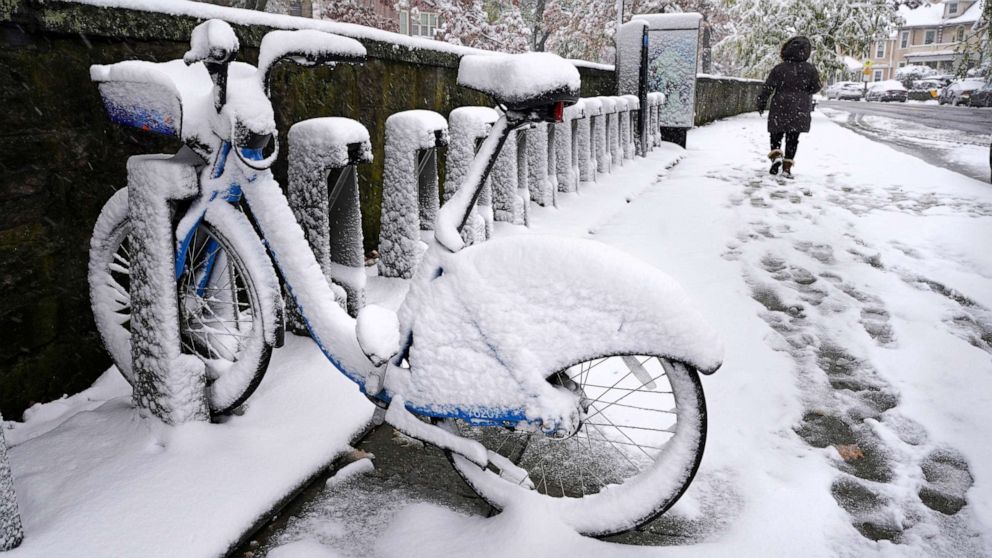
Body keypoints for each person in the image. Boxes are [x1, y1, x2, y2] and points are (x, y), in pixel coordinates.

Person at [756, 36, 821, 179]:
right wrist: (803, 92)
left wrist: (761, 101)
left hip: (780, 104)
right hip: (800, 108)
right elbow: (816, 87)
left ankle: (777, 155)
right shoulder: (810, 70)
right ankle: (786, 169)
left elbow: (768, 87)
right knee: (793, 138)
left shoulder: (779, 69)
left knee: (776, 133)